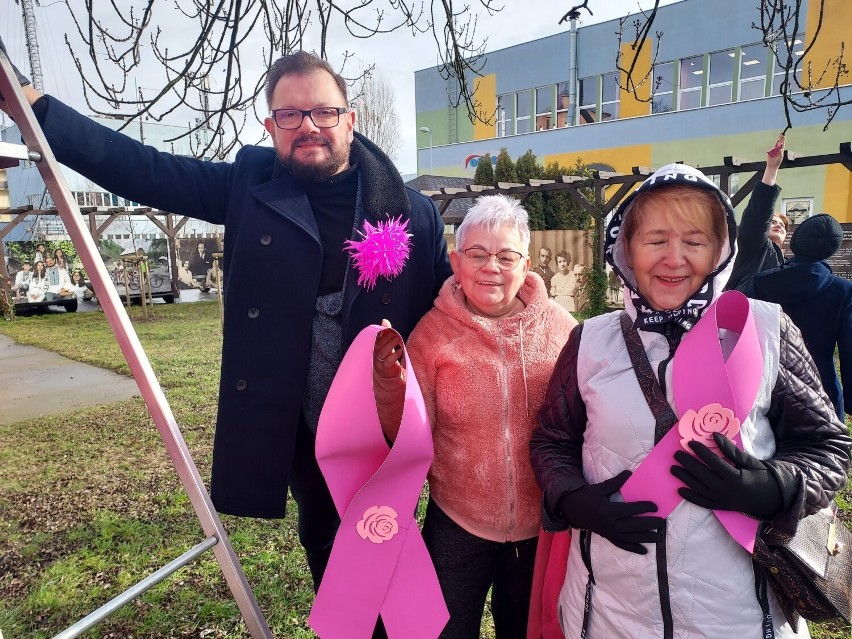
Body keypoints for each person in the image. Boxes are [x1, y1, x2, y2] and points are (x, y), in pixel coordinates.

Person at [1, 43, 452, 595]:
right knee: (332, 564)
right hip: (304, 431)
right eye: (290, 115)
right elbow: (146, 170)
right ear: (271, 125)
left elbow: (451, 314)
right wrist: (37, 107)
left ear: (350, 120)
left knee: (395, 569)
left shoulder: (412, 212)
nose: (308, 126)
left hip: (383, 434)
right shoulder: (248, 186)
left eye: (323, 112)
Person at [530, 163, 851, 639]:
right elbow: (551, 439)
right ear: (626, 249)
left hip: (741, 619)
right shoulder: (590, 341)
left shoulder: (764, 331)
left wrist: (775, 488)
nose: (674, 259)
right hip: (609, 615)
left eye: (695, 242)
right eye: (656, 240)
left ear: (720, 250)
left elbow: (827, 446)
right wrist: (573, 499)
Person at [373, 195, 578, 638]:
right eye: (477, 254)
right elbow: (407, 437)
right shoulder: (430, 335)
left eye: (506, 256)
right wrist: (391, 387)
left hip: (540, 527)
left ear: (526, 265)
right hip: (456, 522)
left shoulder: (563, 329)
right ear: (455, 262)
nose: (491, 267)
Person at [750, 213, 851, 420]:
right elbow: (849, 351)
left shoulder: (762, 283)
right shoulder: (843, 290)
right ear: (831, 250)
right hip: (822, 388)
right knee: (822, 450)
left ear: (796, 242)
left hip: (769, 386)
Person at [725, 133, 789, 293]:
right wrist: (772, 169)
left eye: (783, 225)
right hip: (742, 313)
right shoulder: (753, 245)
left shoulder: (785, 262)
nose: (779, 226)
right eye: (773, 222)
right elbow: (758, 214)